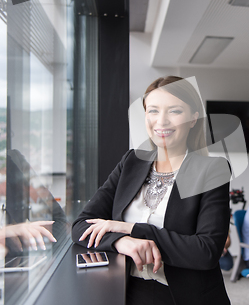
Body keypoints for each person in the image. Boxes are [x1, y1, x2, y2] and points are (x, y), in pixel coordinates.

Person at [72, 76, 232, 305]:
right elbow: (81, 226)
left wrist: (131, 229)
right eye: (153, 110)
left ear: (193, 118)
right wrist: (121, 241)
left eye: (174, 111)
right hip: (126, 290)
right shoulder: (131, 162)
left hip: (183, 297)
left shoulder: (212, 170)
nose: (161, 121)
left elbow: (206, 251)